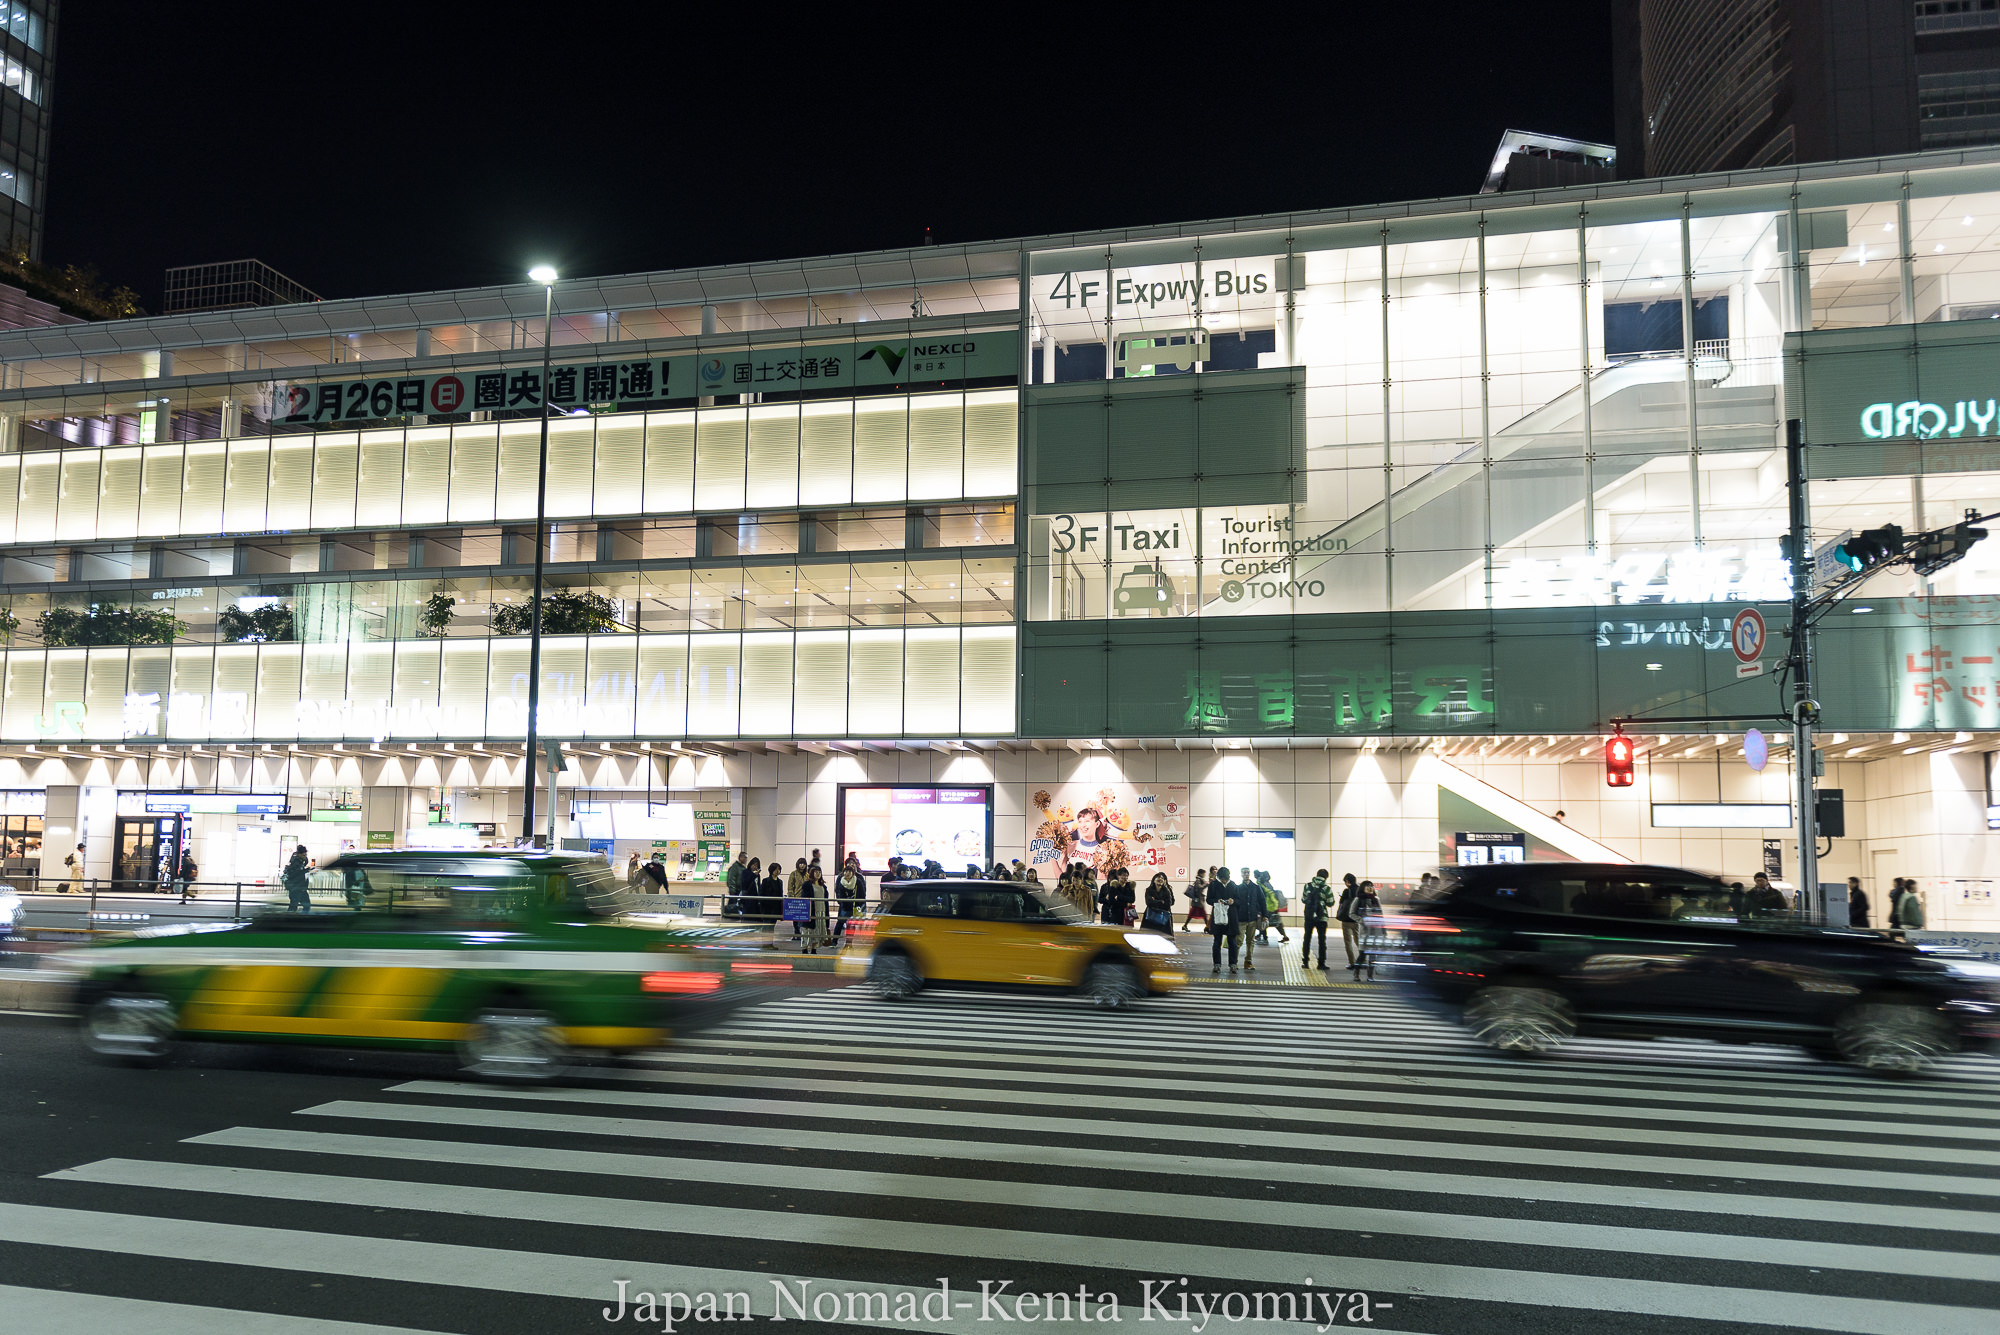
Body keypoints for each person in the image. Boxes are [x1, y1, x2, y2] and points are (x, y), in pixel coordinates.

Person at [1207, 868, 1240, 975]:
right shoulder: (1213, 885)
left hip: (1231, 917)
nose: (1224, 881)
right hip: (1218, 916)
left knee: (1232, 942)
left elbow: (1239, 900)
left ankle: (1233, 964)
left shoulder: (1233, 885)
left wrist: (1233, 901)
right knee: (1217, 941)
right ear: (1218, 877)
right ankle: (1217, 964)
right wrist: (1217, 901)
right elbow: (1208, 899)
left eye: (1225, 879)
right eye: (1222, 879)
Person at [1300, 869, 1333, 970]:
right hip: (1321, 917)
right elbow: (1330, 903)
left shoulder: (1307, 886)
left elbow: (1303, 899)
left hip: (1309, 916)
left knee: (1307, 939)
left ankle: (1305, 962)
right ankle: (1321, 963)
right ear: (1326, 877)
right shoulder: (1327, 888)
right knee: (1322, 940)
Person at [1350, 880, 1383, 979]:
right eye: (1367, 886)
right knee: (1363, 954)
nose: (1369, 888)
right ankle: (1356, 972)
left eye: (1371, 886)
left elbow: (1381, 915)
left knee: (1373, 955)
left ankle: (1370, 975)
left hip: (1375, 930)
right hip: (1365, 931)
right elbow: (1351, 913)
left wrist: (1383, 929)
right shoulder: (1358, 899)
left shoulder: (1376, 900)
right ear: (1362, 888)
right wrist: (1361, 920)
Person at [1235, 870, 1265, 971]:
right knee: (1238, 941)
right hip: (1241, 919)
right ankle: (1234, 962)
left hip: (1252, 919)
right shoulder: (1238, 888)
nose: (1246, 874)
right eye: (1244, 873)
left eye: (1247, 872)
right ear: (1241, 874)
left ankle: (1248, 962)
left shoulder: (1256, 888)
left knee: (1250, 941)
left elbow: (1262, 901)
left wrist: (1265, 915)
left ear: (1250, 874)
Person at [1335, 873, 1362, 970]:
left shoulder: (1347, 891)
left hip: (1347, 920)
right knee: (1358, 941)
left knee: (1348, 942)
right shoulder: (1360, 890)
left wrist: (1342, 896)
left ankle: (1352, 962)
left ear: (1347, 881)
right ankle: (1361, 961)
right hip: (1357, 920)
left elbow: (1341, 902)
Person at [835, 858, 865, 938]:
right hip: (843, 905)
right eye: (849, 863)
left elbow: (863, 892)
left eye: (853, 863)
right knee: (840, 922)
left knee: (852, 924)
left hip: (854, 905)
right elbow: (837, 890)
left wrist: (860, 903)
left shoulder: (859, 877)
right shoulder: (841, 878)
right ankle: (834, 941)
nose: (851, 865)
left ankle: (849, 942)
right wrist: (840, 901)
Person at [1258, 871, 1290, 945]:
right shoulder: (1268, 884)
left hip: (1269, 907)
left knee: (1265, 921)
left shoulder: (1264, 885)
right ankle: (1284, 936)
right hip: (1272, 906)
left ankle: (1264, 937)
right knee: (1276, 923)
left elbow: (1265, 896)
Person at [282, 845, 311, 913]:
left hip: (299, 888)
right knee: (297, 906)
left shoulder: (299, 862)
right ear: (299, 854)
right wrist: (305, 871)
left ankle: (295, 920)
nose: (305, 856)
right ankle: (293, 920)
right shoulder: (296, 863)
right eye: (304, 855)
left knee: (296, 906)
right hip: (296, 888)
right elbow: (295, 874)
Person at [1182, 868, 1209, 933]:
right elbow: (1199, 888)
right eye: (1204, 873)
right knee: (1203, 914)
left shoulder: (1200, 880)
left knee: (1193, 914)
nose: (1204, 875)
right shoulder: (1198, 880)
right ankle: (1207, 927)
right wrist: (1206, 884)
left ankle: (1185, 925)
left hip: (1197, 901)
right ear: (1201, 873)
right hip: (1198, 901)